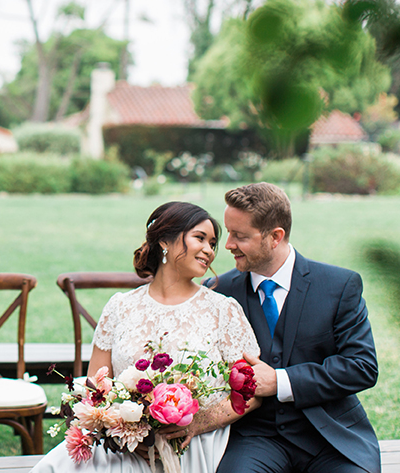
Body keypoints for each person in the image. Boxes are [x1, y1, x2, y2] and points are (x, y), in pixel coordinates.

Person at [31, 201, 260, 473]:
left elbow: (253, 392)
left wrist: (198, 423)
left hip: (194, 443)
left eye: (212, 243)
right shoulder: (120, 306)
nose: (209, 250)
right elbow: (95, 388)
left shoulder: (224, 310)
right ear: (165, 240)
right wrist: (120, 431)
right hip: (122, 444)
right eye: (200, 238)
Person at [212, 182, 381, 473]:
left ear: (275, 236)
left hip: (331, 438)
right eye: (228, 233)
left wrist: (279, 381)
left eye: (240, 236)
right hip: (255, 439)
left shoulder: (338, 286)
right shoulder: (219, 292)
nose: (228, 245)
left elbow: (361, 367)